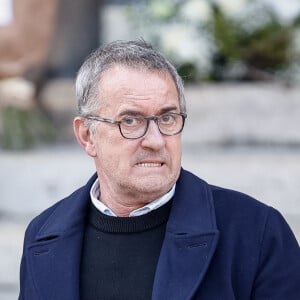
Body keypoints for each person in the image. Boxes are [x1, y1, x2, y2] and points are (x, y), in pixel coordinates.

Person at [18, 40, 300, 300]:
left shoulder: (256, 232)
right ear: (87, 136)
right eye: (130, 121)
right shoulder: (43, 236)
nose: (155, 140)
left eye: (167, 117)